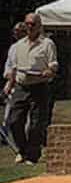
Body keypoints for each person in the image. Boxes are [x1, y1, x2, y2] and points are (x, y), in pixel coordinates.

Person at [7, 12, 58, 164]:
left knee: (36, 123)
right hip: (21, 86)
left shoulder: (47, 44)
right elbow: (12, 68)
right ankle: (22, 150)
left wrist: (48, 72)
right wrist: (9, 83)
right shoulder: (17, 46)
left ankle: (33, 155)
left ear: (39, 26)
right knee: (14, 120)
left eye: (33, 24)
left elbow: (53, 65)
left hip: (39, 85)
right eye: (27, 24)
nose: (29, 27)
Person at [1, 22, 27, 151]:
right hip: (11, 84)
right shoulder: (13, 48)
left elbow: (17, 69)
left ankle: (23, 147)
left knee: (20, 118)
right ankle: (14, 145)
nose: (15, 34)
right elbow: (9, 66)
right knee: (9, 118)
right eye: (14, 32)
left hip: (20, 85)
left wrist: (10, 84)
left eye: (18, 32)